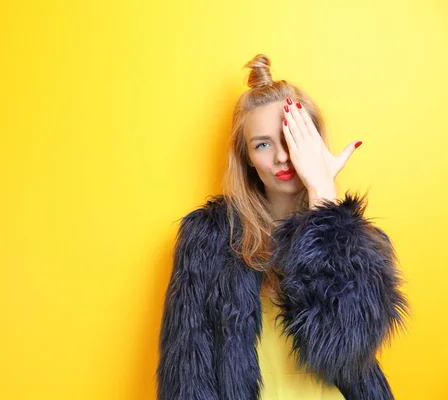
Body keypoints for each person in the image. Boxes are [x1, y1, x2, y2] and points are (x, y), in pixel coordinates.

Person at [155, 54, 409, 400]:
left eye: (291, 137)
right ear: (246, 157)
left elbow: (345, 347)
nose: (281, 157)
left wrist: (322, 196)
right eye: (262, 144)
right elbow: (186, 375)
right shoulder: (208, 238)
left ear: (313, 141)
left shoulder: (356, 241)